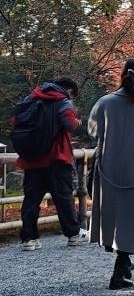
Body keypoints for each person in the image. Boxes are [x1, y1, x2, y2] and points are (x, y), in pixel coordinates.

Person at [88, 58, 134, 290]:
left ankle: (122, 263)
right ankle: (123, 264)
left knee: (115, 215)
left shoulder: (105, 103)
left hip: (110, 169)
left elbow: (92, 131)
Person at [13, 75, 86, 250]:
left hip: (31, 159)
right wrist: (79, 121)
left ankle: (28, 240)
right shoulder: (63, 102)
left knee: (31, 200)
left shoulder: (30, 100)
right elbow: (70, 125)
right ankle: (73, 235)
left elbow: (16, 122)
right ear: (68, 90)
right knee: (64, 199)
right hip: (57, 158)